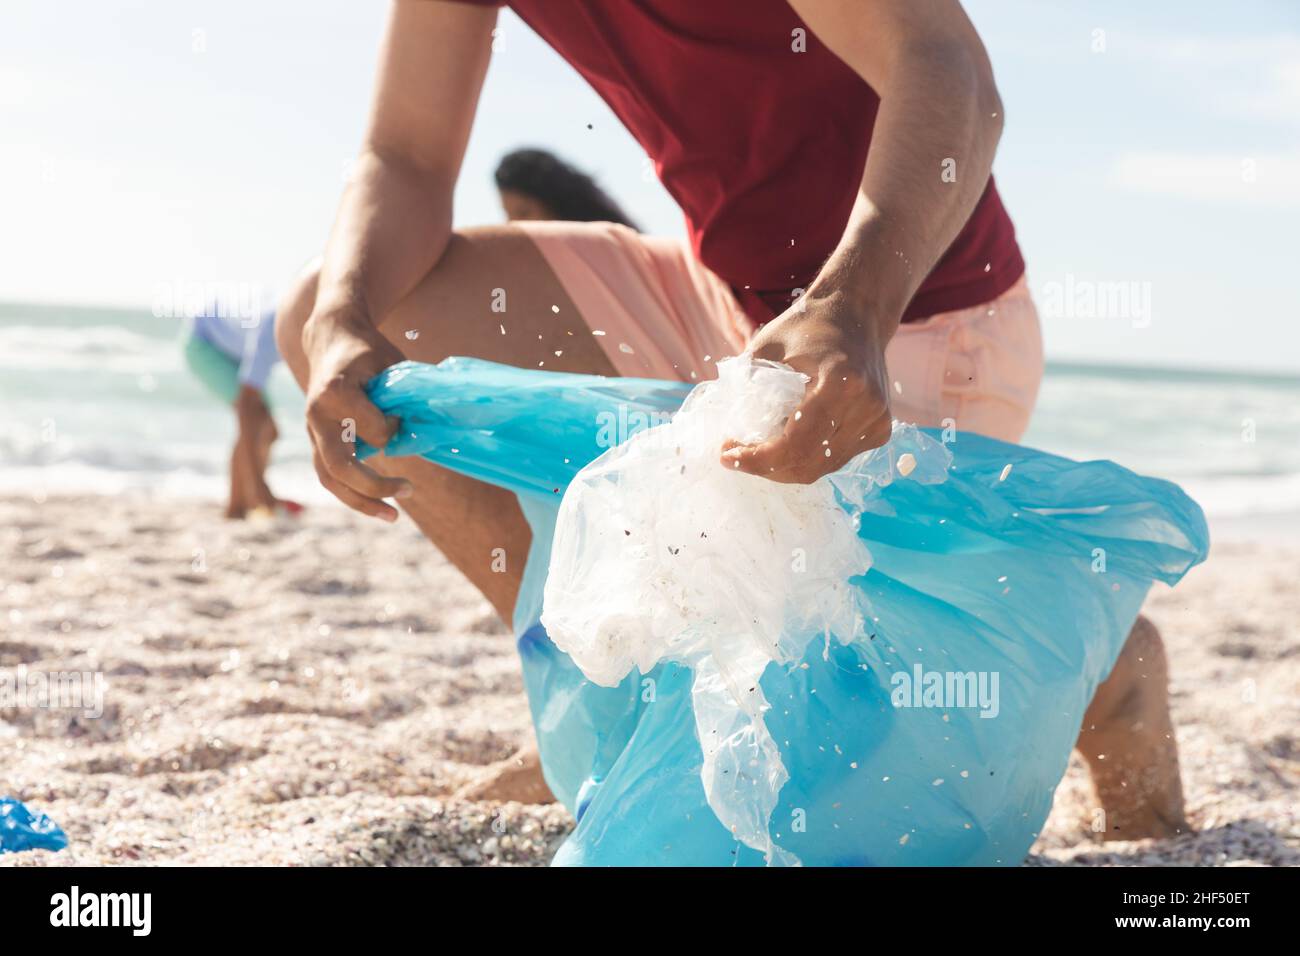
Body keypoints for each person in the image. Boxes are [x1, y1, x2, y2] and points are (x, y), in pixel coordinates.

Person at [274, 1, 1185, 839]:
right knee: (352, 314)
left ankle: (1095, 662)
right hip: (720, 304)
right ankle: (607, 698)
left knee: (816, 753)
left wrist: (854, 306)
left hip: (915, 311)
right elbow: (406, 155)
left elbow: (948, 64)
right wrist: (338, 318)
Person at [183, 301, 296, 520]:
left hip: (233, 344)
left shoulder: (302, 328)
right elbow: (245, 409)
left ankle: (250, 499)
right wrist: (260, 484)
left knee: (270, 430)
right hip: (203, 342)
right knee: (257, 421)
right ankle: (238, 506)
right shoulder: (272, 333)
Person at [494, 147, 640, 229]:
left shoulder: (604, 250)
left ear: (555, 204)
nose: (513, 226)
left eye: (523, 213)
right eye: (508, 216)